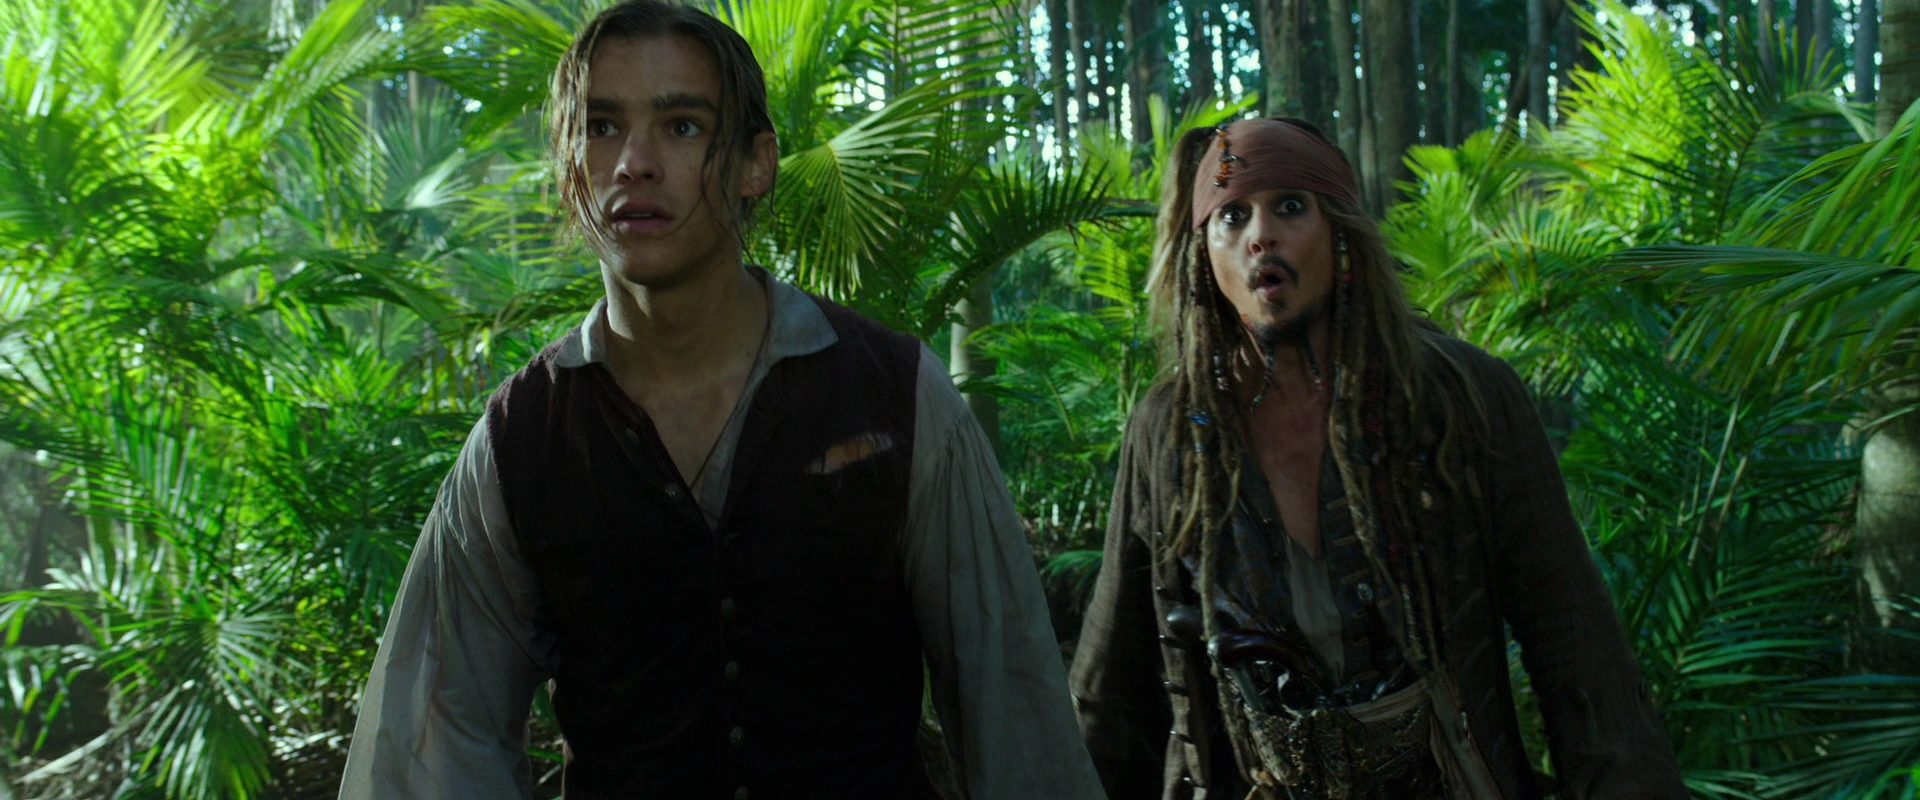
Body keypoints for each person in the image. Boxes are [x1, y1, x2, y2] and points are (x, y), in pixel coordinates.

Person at [337, 3, 1104, 797]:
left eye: (682, 127)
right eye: (601, 127)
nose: (634, 162)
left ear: (755, 164)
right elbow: (435, 743)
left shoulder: (892, 390)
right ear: (568, 169)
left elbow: (1015, 714)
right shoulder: (521, 439)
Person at [1068, 118, 1686, 800]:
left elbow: (1576, 647)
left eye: (1290, 207)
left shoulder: (1460, 397)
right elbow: (1113, 682)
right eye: (1232, 216)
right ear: (1202, 257)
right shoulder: (1171, 430)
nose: (1260, 236)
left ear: (1341, 232)